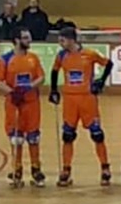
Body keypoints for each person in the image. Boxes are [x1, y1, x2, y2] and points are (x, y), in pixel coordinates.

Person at [48, 27, 114, 187]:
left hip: (87, 99)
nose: (60, 43)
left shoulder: (89, 54)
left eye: (62, 40)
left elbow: (108, 64)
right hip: (70, 100)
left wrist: (101, 81)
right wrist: (54, 90)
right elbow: (54, 71)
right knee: (68, 135)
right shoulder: (61, 56)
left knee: (97, 135)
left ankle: (105, 168)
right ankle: (66, 170)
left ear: (71, 40)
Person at [0, 31, 46, 188]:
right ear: (16, 40)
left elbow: (41, 77)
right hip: (14, 104)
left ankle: (36, 169)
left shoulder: (33, 58)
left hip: (32, 103)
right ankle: (16, 169)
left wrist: (29, 87)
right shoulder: (5, 59)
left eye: (29, 37)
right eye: (25, 38)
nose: (29, 40)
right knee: (16, 138)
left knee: (33, 137)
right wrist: (12, 92)